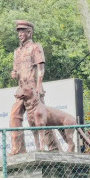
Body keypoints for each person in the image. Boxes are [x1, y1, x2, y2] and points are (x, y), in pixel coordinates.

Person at [9, 20, 59, 155]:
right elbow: (15, 69)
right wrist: (14, 73)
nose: (19, 34)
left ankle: (54, 147)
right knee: (15, 115)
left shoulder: (35, 47)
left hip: (33, 89)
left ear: (29, 32)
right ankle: (18, 149)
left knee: (42, 119)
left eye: (22, 31)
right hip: (22, 90)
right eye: (18, 32)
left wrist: (39, 86)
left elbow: (41, 68)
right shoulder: (17, 52)